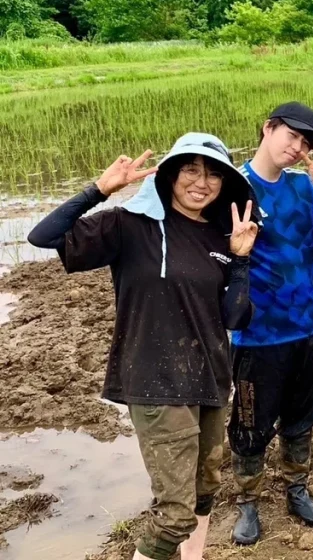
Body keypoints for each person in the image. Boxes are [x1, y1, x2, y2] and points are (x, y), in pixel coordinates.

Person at [27, 134, 259, 560]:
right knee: (174, 514)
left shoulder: (220, 237)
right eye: (191, 169)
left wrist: (240, 260)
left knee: (204, 491)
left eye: (212, 173)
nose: (201, 182)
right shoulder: (129, 225)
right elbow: (42, 237)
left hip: (210, 378)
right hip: (155, 381)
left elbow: (235, 318)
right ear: (170, 174)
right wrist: (98, 191)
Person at [228, 102, 313, 546]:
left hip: (308, 328)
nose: (297, 149)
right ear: (267, 129)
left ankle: (297, 490)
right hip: (258, 335)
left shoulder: (303, 188)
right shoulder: (237, 187)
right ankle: (248, 503)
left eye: (306, 143)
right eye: (291, 137)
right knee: (251, 423)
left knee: (301, 419)